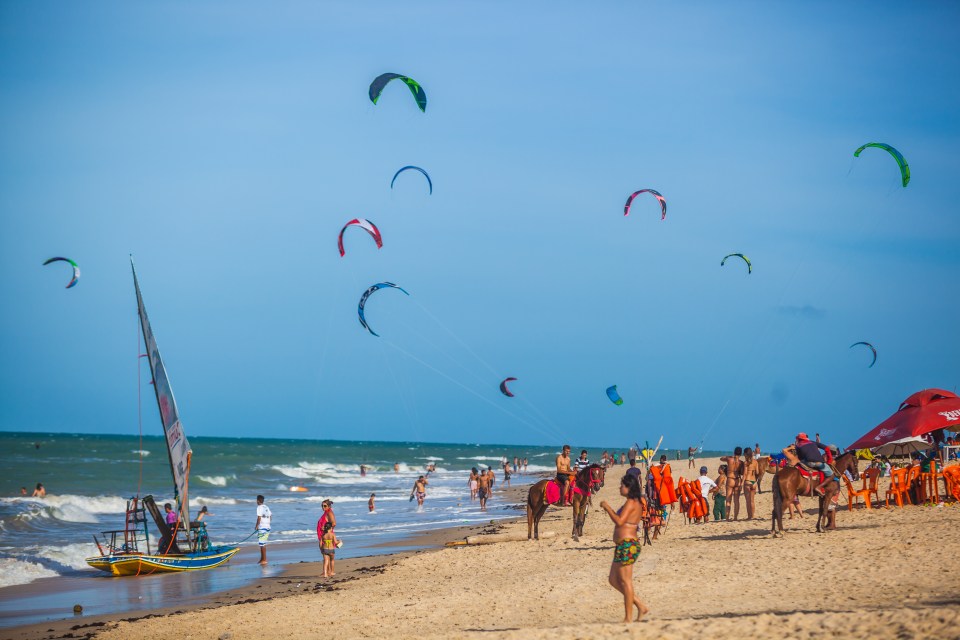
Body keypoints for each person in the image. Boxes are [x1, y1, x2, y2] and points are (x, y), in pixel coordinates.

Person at [599, 474, 649, 622]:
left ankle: (628, 618)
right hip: (623, 545)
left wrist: (607, 507)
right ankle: (640, 605)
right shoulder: (634, 502)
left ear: (629, 487)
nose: (620, 487)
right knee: (613, 579)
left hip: (628, 544)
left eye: (622, 485)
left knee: (626, 581)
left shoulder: (631, 502)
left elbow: (620, 522)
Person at [720, 447, 744, 520]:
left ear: (734, 452)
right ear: (741, 453)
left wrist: (729, 456)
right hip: (738, 479)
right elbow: (742, 473)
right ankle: (735, 518)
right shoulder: (741, 462)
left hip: (730, 479)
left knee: (728, 500)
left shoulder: (729, 459)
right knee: (736, 501)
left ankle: (727, 517)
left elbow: (721, 458)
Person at [742, 446, 760, 519]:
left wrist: (741, 483)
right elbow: (758, 472)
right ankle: (753, 516)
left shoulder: (746, 462)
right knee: (752, 501)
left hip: (748, 481)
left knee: (747, 501)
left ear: (746, 454)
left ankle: (749, 516)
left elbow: (745, 474)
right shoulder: (755, 462)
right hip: (754, 482)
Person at [255, 495, 271, 565]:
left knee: (262, 544)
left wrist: (257, 526)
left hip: (262, 527)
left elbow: (259, 517)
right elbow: (270, 516)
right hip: (268, 526)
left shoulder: (259, 507)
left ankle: (264, 559)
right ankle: (262, 559)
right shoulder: (266, 507)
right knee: (263, 543)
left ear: (258, 501)